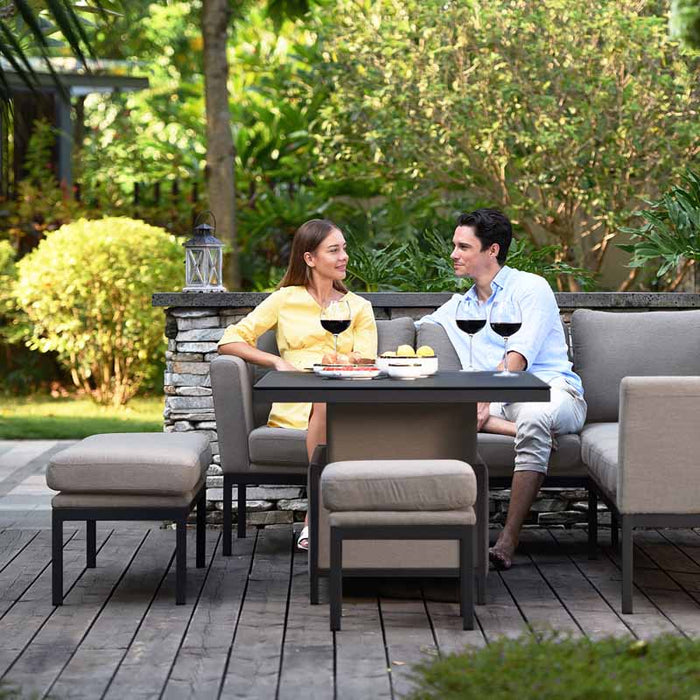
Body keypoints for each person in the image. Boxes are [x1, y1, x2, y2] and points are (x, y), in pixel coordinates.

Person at [417, 209, 587, 570]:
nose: (454, 254)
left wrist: (482, 398)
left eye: (463, 246)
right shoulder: (459, 306)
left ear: (491, 250)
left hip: (548, 391)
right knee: (444, 413)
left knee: (536, 414)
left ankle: (508, 538)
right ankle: (523, 431)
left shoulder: (530, 288)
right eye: (454, 245)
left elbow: (517, 360)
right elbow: (413, 329)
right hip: (498, 406)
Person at [217, 219, 378, 550]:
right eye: (334, 250)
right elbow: (230, 340)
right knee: (321, 400)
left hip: (344, 401)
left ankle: (314, 517)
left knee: (327, 398)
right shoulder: (284, 300)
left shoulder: (359, 307)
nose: (344, 256)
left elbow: (366, 359)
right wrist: (275, 360)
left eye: (344, 248)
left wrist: (344, 362)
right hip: (295, 404)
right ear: (309, 258)